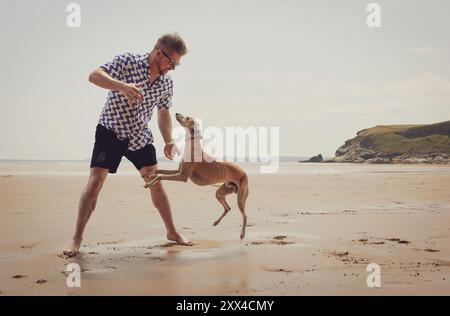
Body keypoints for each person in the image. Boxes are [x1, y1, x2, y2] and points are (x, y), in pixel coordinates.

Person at [63, 33, 192, 257]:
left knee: (155, 182)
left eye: (177, 64)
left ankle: (172, 232)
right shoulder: (128, 61)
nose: (173, 68)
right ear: (159, 53)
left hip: (139, 135)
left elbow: (163, 114)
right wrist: (122, 86)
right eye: (172, 62)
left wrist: (169, 141)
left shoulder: (166, 83)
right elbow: (94, 76)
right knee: (95, 183)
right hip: (110, 131)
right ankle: (76, 238)